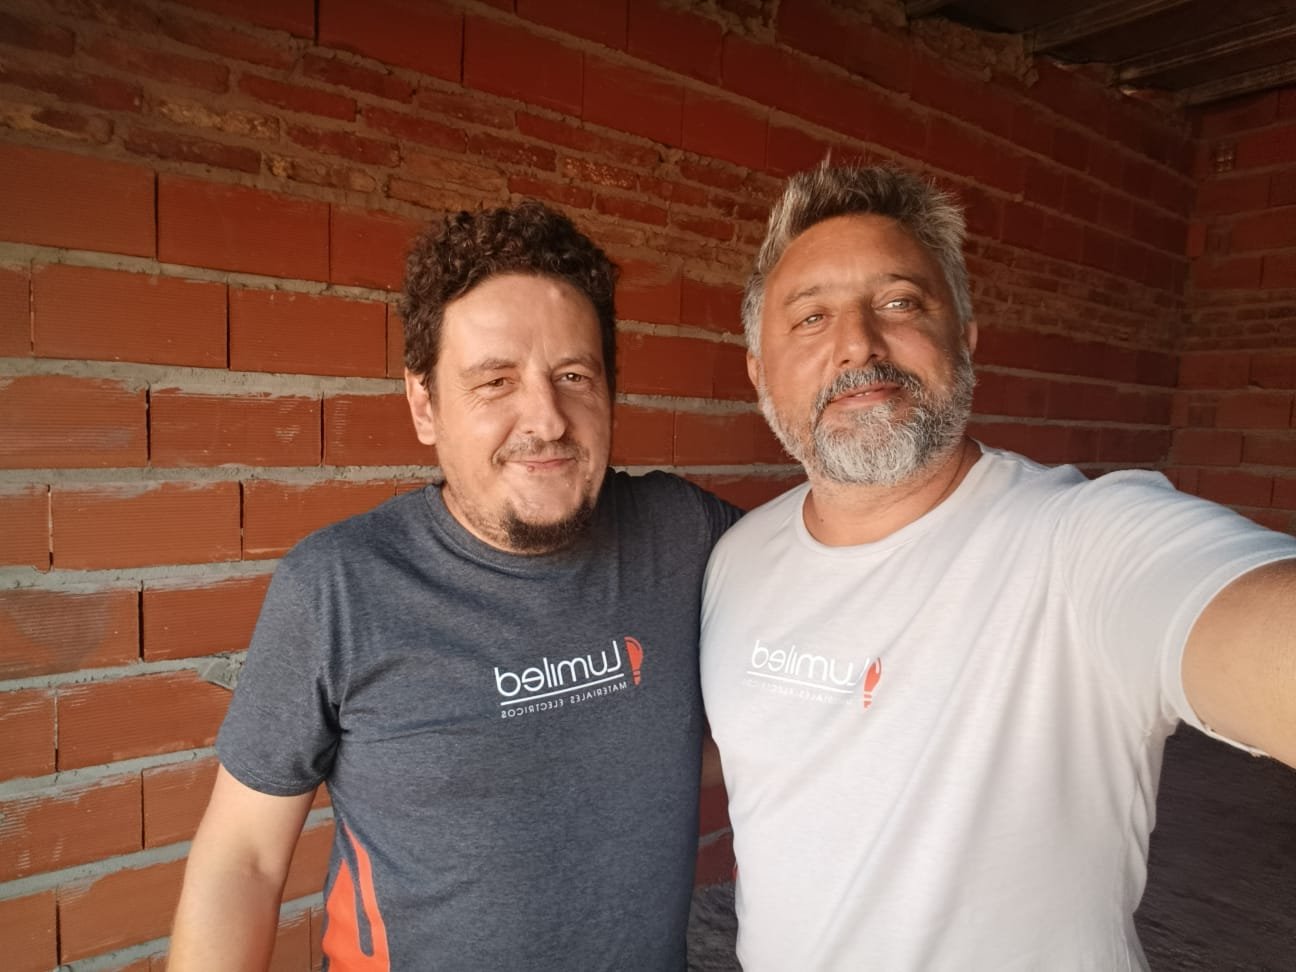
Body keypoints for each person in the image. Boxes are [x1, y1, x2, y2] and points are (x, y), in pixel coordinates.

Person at [699, 162, 1296, 970]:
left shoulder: (1079, 542)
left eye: (900, 303)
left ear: (965, 339)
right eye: (810, 318)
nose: (857, 344)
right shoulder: (735, 559)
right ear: (758, 372)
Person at [170, 202, 740, 971]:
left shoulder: (683, 534)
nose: (547, 419)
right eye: (495, 382)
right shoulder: (337, 588)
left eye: (573, 376)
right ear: (424, 404)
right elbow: (243, 859)